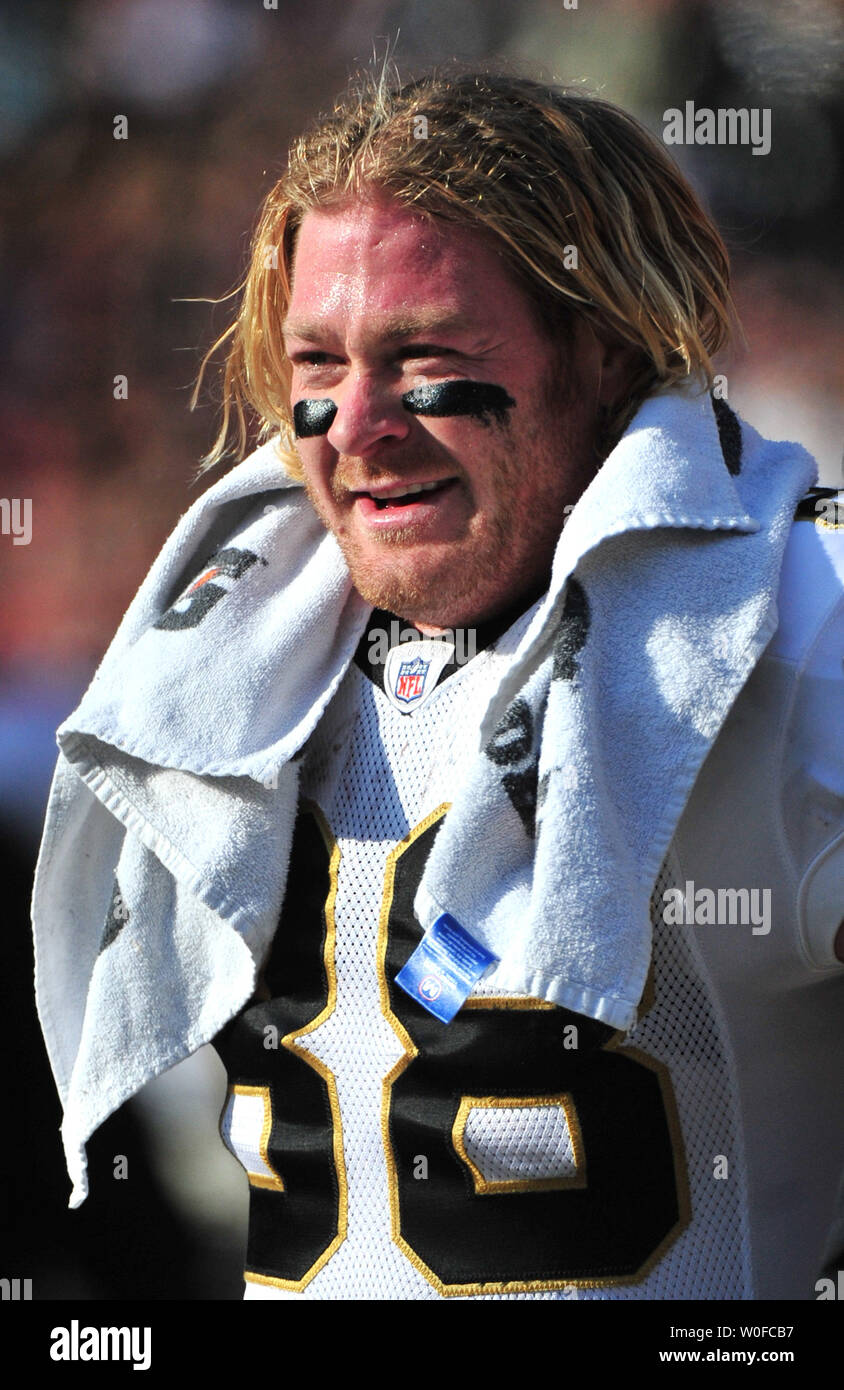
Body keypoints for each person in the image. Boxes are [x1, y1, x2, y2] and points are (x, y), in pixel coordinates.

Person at [33, 67, 843, 1301]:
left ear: (609, 347)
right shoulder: (232, 657)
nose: (356, 424)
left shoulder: (784, 624)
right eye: (318, 359)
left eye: (424, 357)